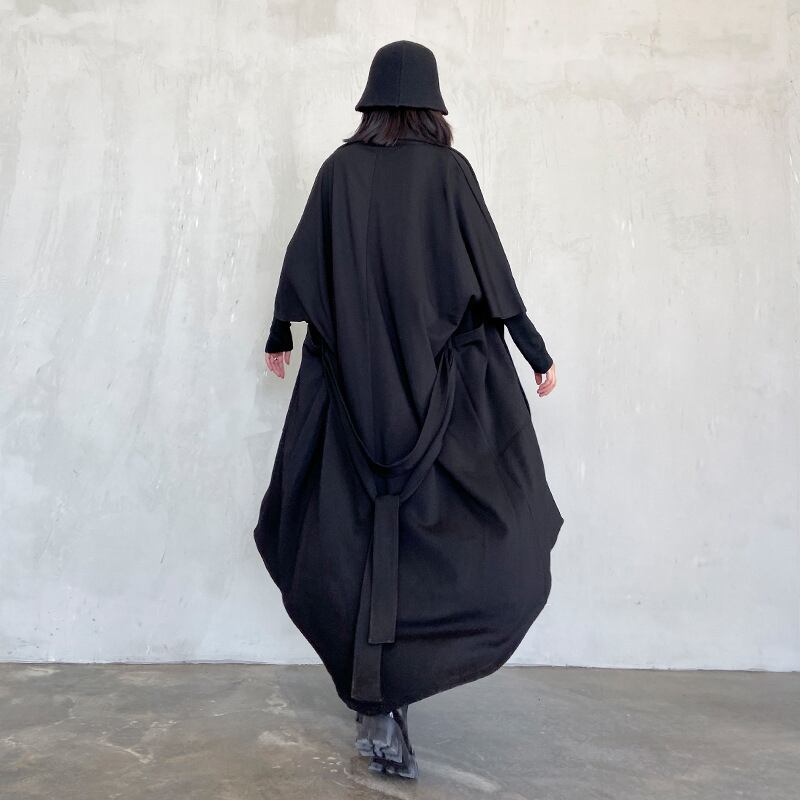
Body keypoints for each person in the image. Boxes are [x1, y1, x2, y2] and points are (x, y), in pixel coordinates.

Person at [254, 40, 563, 780]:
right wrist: (534, 351)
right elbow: (491, 274)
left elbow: (303, 264)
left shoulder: (338, 171)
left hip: (351, 396)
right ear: (432, 102)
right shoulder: (450, 173)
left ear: (371, 99)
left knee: (350, 536)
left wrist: (279, 334)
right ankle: (390, 694)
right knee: (453, 537)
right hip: (438, 397)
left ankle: (374, 696)